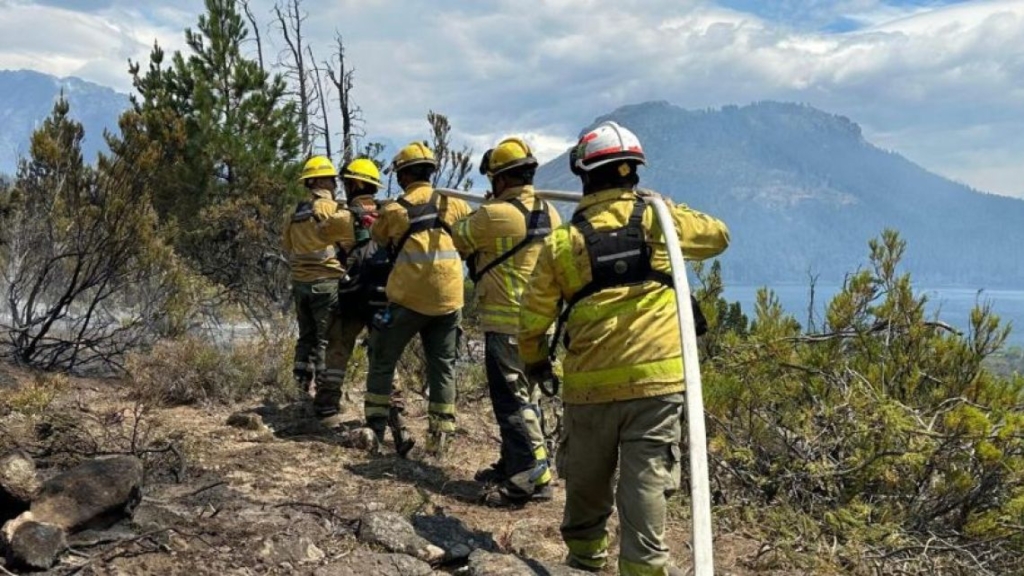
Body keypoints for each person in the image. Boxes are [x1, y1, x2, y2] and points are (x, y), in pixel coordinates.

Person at [518, 121, 730, 575]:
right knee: (646, 483)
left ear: (583, 174)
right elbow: (718, 236)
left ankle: (584, 560)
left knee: (586, 480)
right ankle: (643, 567)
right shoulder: (660, 222)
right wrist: (667, 207)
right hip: (658, 383)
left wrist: (535, 364)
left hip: (589, 387)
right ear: (634, 171)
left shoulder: (562, 243)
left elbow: (532, 320)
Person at [452, 137, 561, 506]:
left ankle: (527, 479)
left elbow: (459, 236)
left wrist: (484, 208)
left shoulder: (493, 214)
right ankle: (517, 462)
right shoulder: (551, 212)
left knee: (512, 403)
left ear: (500, 179)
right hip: (541, 325)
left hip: (506, 324)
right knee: (530, 399)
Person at [363, 142, 472, 458]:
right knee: (443, 367)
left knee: (382, 358)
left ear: (405, 175)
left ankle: (376, 428)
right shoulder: (454, 204)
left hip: (408, 299)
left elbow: (377, 237)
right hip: (449, 299)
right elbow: (468, 240)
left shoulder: (396, 210)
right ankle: (440, 439)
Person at [314, 158, 405, 431]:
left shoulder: (344, 217)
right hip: (383, 295)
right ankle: (394, 405)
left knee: (339, 346)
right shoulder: (389, 213)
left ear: (353, 184)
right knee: (383, 351)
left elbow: (320, 233)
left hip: (352, 294)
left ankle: (327, 405)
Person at [282, 155, 355, 403]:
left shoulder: (294, 212)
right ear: (323, 181)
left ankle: (300, 390)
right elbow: (349, 244)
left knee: (306, 338)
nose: (335, 185)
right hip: (326, 284)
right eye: (333, 180)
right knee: (327, 340)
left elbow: (287, 246)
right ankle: (324, 397)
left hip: (300, 284)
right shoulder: (332, 210)